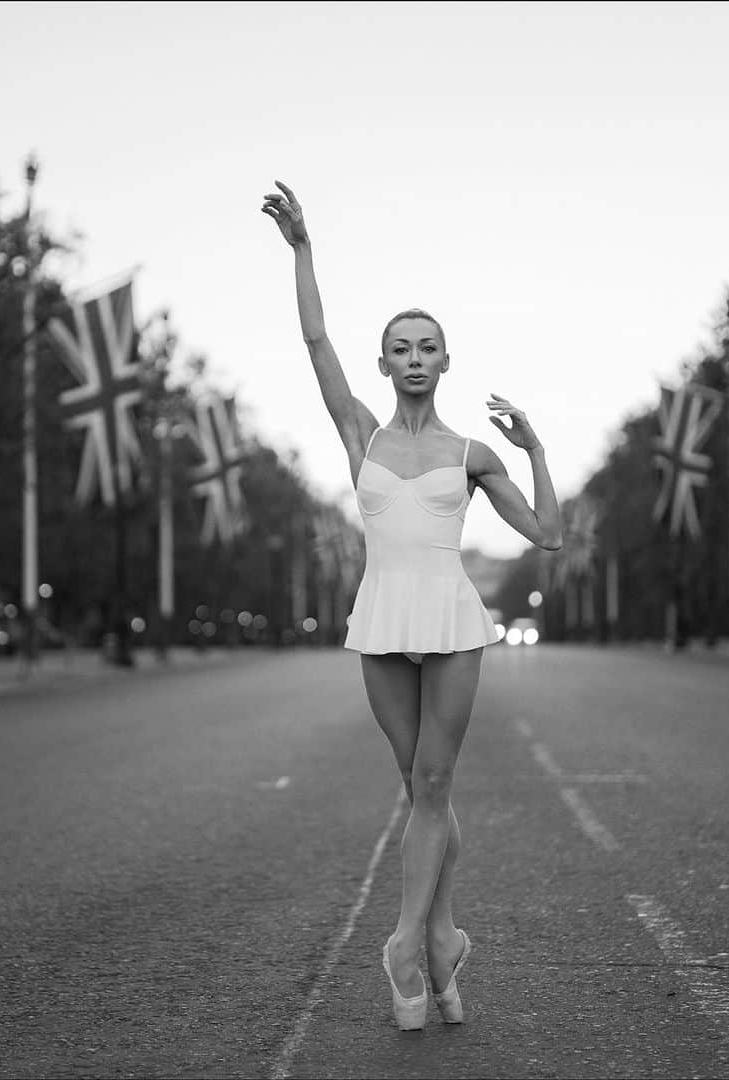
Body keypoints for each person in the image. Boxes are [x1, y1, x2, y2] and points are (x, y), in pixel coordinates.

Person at [262, 181, 563, 1030]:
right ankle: (444, 942)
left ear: (445, 360)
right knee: (421, 791)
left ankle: (402, 943)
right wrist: (303, 250)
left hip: (453, 623)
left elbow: (547, 535)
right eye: (402, 347)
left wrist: (534, 447)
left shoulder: (470, 453)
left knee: (433, 782)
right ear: (385, 364)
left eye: (429, 345)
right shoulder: (361, 434)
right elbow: (315, 338)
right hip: (382, 620)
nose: (416, 357)